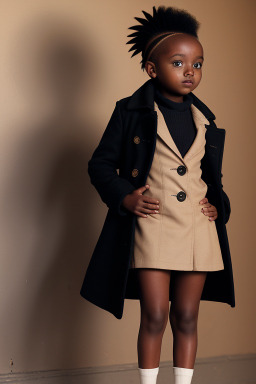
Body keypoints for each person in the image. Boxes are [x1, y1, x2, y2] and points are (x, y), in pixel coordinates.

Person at [80, 5, 235, 384]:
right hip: (152, 223)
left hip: (198, 227)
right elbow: (100, 165)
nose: (190, 72)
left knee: (187, 315)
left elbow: (209, 177)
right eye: (179, 63)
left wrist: (219, 206)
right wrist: (125, 197)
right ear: (152, 69)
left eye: (198, 64)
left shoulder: (206, 121)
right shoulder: (129, 113)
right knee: (154, 314)